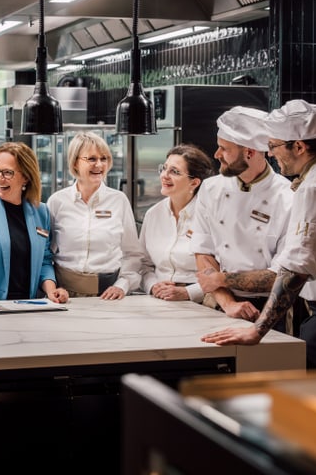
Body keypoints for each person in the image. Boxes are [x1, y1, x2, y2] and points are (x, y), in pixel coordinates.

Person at [202, 100, 316, 369]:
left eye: (274, 146)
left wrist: (257, 331)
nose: (272, 154)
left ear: (298, 146)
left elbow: (296, 268)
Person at [191, 106, 294, 330]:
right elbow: (203, 251)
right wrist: (228, 303)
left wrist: (220, 278)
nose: (216, 154)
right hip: (219, 303)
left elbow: (282, 275)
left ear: (249, 152)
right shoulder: (211, 189)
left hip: (270, 310)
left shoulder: (288, 197)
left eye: (224, 149)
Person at [0, 142, 69, 307]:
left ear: (26, 177)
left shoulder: (41, 211)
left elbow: (44, 260)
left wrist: (51, 291)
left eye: (7, 172)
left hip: (28, 305)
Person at [47, 131, 143, 299]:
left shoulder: (119, 200)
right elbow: (46, 254)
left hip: (108, 295)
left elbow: (132, 254)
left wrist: (122, 285)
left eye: (104, 159)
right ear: (75, 162)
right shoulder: (57, 201)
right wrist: (52, 288)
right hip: (64, 295)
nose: (99, 165)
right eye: (91, 159)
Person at [139, 144, 214, 302]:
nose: (164, 176)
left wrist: (188, 292)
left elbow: (223, 272)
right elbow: (143, 264)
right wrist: (153, 286)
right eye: (164, 168)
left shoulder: (210, 217)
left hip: (202, 302)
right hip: (158, 300)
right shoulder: (153, 214)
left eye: (174, 172)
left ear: (194, 183)